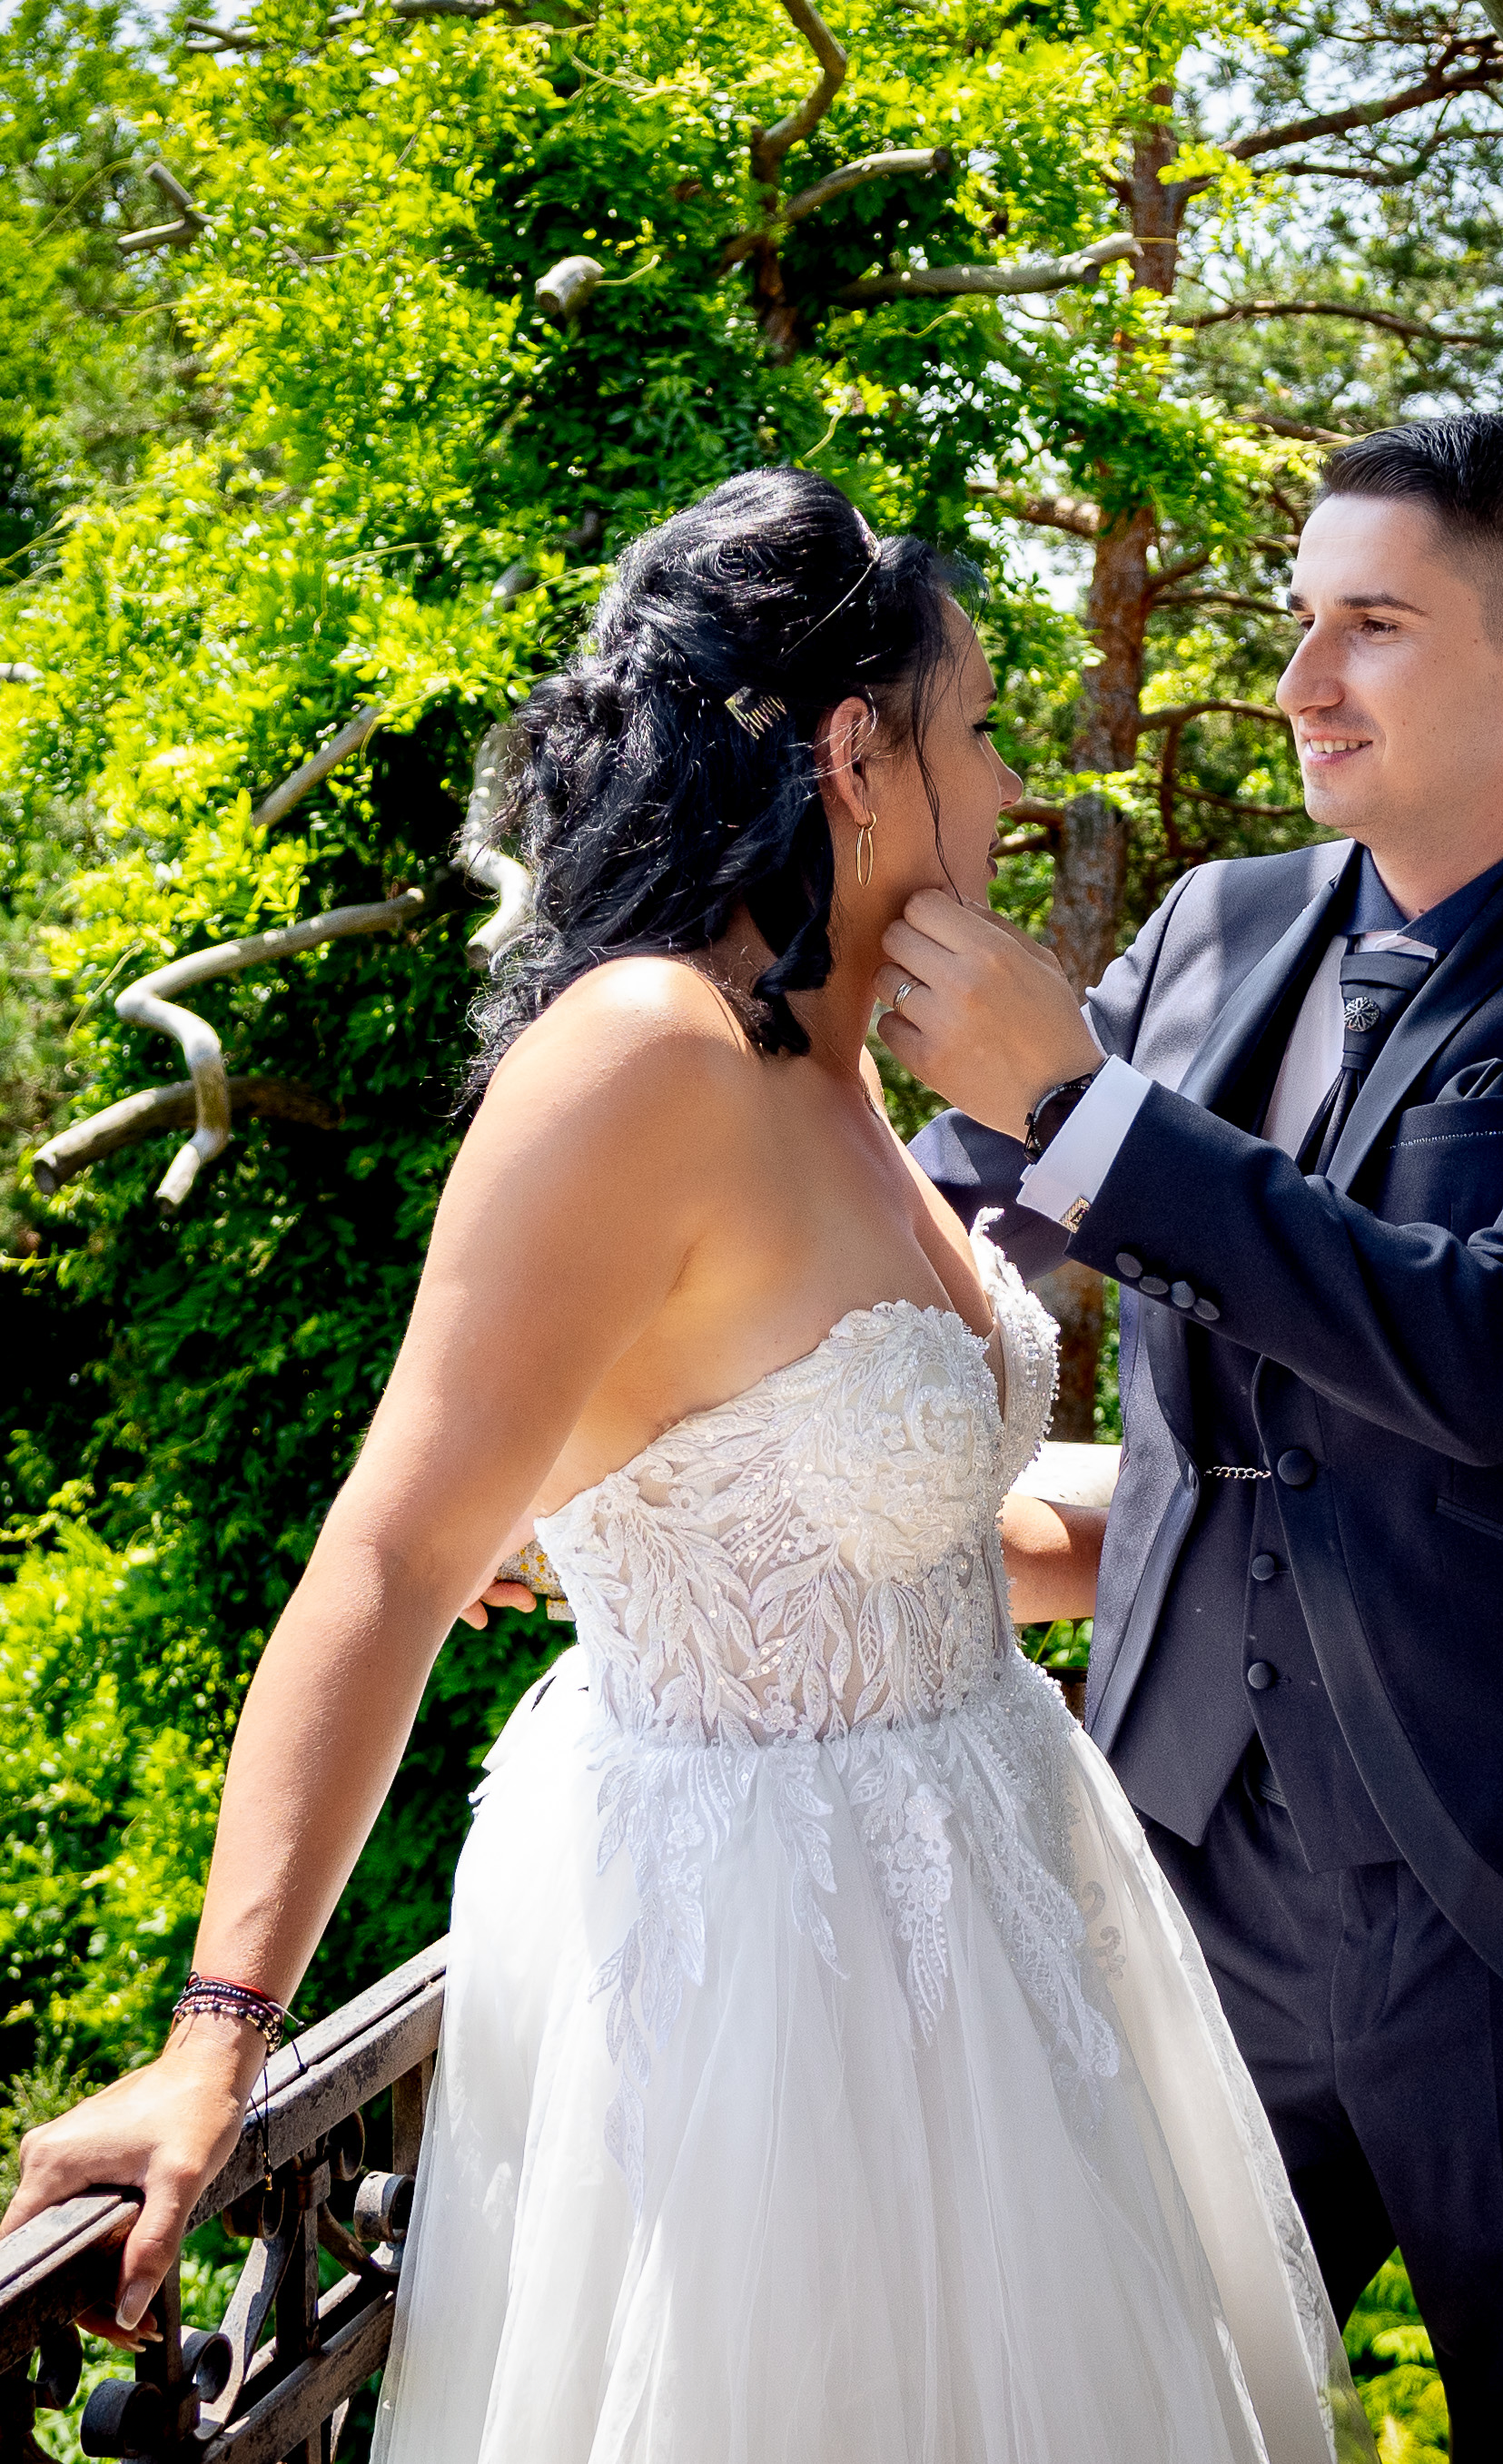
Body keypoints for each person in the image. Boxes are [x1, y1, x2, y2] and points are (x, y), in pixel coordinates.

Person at [1, 470, 1370, 2464]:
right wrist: (219, 2033)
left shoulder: (843, 1063)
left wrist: (1311, 1518)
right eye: (982, 730)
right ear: (858, 754)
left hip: (990, 1931)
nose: (1012, 788)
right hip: (763, 1996)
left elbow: (907, 1528)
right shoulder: (644, 1050)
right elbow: (392, 1557)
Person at [887, 414, 1503, 2460]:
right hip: (1189, 1866)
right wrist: (637, 1445)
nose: (1302, 678)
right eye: (1301, 618)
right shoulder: (1212, 925)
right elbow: (934, 1234)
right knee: (1137, 2420)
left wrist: (1092, 1111)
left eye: (1373, 625)